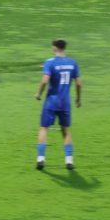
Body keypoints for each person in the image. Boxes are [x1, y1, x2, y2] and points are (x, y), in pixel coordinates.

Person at [34, 39, 82, 170]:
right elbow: (79, 83)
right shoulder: (73, 63)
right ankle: (69, 161)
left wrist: (38, 93)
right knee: (65, 130)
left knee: (44, 128)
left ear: (55, 48)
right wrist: (78, 99)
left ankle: (40, 159)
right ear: (64, 48)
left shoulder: (50, 62)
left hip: (51, 101)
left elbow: (45, 81)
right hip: (65, 102)